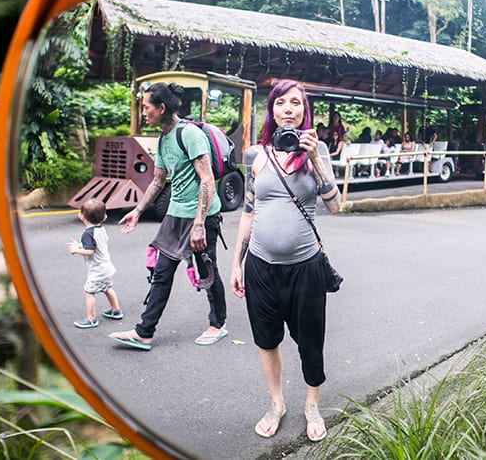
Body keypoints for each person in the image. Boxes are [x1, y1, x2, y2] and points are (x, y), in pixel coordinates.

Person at [230, 78, 341, 443]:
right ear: (272, 110)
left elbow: (336, 205)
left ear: (304, 110)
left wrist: (313, 159)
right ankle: (276, 404)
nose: (288, 109)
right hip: (260, 265)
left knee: (310, 341)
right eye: (280, 103)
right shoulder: (255, 154)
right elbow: (249, 209)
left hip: (305, 266)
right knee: (266, 340)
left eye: (295, 102)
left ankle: (312, 405)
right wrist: (235, 263)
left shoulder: (317, 149)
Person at [111, 82, 228, 350]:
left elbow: (207, 180)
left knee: (206, 272)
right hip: (175, 217)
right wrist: (138, 211)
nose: (144, 113)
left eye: (146, 107)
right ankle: (145, 331)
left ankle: (218, 323)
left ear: (161, 108)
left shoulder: (189, 135)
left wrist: (199, 224)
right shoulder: (164, 140)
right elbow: (158, 180)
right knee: (162, 273)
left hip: (201, 217)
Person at [66, 198, 122, 329]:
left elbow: (90, 251)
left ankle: (91, 319)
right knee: (107, 288)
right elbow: (96, 246)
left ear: (81, 216)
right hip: (106, 267)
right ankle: (116, 310)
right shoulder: (100, 229)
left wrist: (76, 250)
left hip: (97, 270)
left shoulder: (87, 234)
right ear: (104, 218)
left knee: (88, 292)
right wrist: (79, 245)